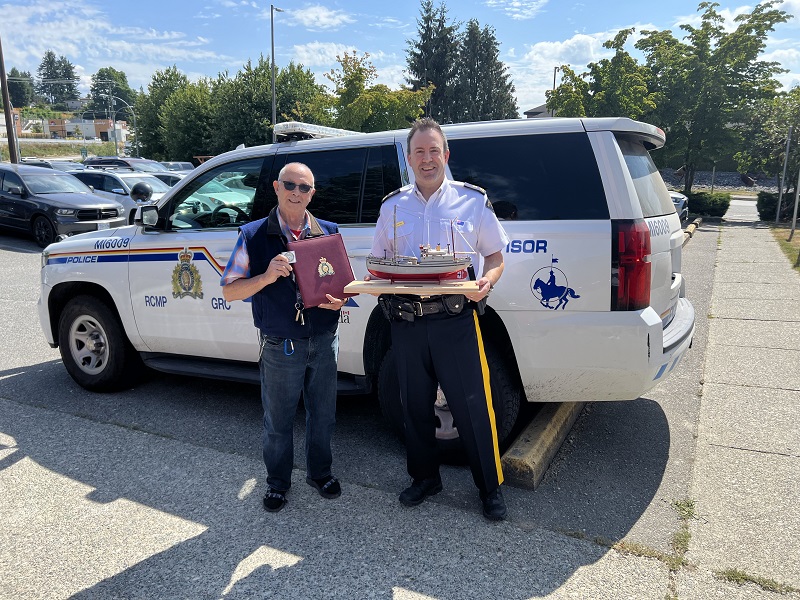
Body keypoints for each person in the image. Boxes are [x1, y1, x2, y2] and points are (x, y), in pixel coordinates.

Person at [370, 118, 510, 521]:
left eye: (434, 151)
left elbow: (496, 257)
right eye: (419, 152)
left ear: (445, 156)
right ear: (409, 158)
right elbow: (378, 265)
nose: (427, 159)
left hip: (455, 322)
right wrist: (370, 283)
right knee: (414, 406)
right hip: (407, 323)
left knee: (473, 406)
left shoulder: (471, 201)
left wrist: (487, 280)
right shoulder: (392, 206)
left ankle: (490, 488)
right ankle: (425, 478)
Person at [221, 162, 346, 513]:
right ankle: (277, 483)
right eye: (290, 185)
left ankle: (320, 473)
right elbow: (230, 291)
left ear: (312, 194)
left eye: (304, 187)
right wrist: (265, 276)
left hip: (324, 340)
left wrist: (342, 299)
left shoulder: (329, 232)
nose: (296, 192)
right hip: (281, 345)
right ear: (276, 187)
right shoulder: (252, 235)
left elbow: (341, 285)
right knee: (278, 421)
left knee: (324, 415)